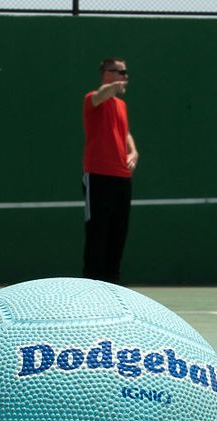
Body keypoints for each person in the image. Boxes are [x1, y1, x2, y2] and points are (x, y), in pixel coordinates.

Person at [82, 58, 138, 285]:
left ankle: (113, 281)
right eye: (121, 72)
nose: (126, 77)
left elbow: (125, 133)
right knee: (97, 230)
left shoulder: (121, 106)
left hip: (122, 176)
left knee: (119, 230)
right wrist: (112, 88)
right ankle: (91, 281)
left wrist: (133, 152)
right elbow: (100, 96)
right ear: (106, 73)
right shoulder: (92, 99)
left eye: (127, 72)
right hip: (97, 175)